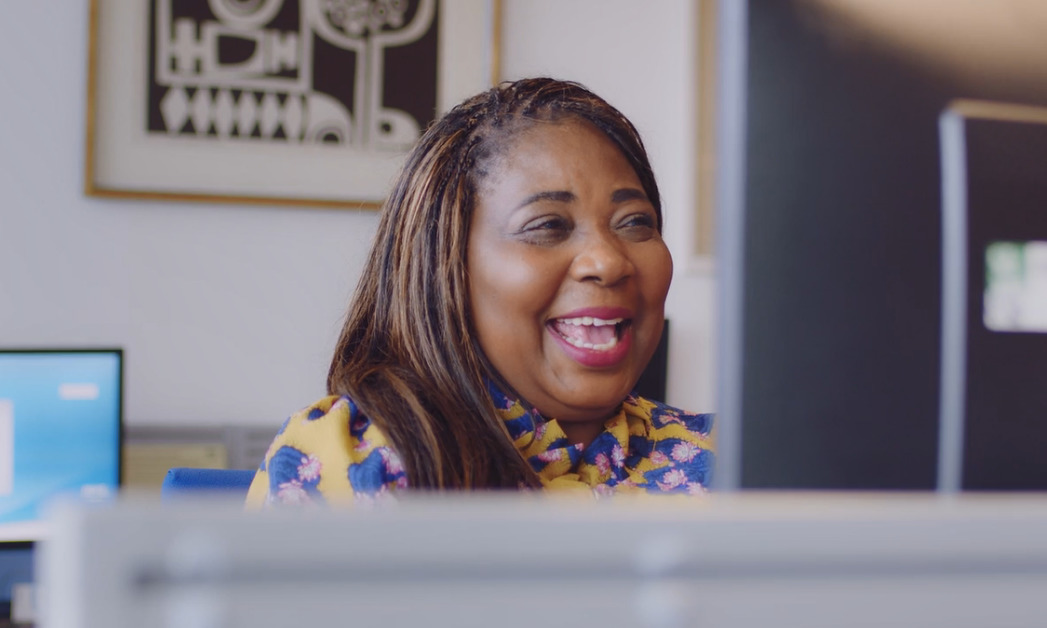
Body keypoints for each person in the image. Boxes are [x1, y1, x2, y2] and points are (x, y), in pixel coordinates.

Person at [245, 78, 714, 505]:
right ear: (448, 266)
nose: (609, 261)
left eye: (635, 222)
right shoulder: (356, 457)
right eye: (548, 225)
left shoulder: (732, 459)